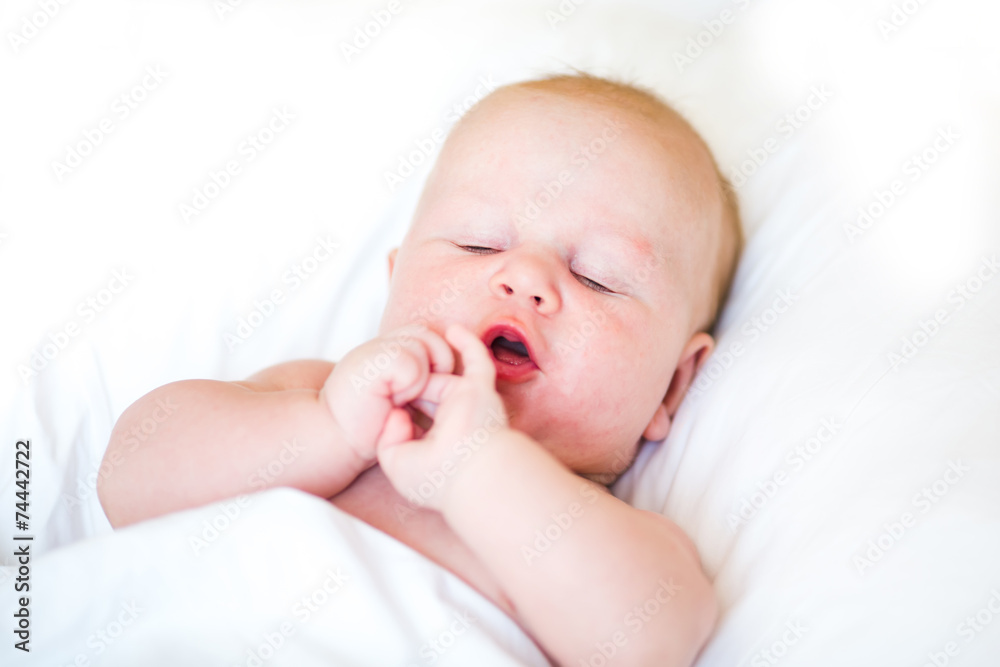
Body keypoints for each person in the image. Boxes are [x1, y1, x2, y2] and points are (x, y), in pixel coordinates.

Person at [98, 72, 742, 666]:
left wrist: (478, 469)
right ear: (394, 284)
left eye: (598, 277)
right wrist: (326, 431)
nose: (524, 277)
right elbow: (127, 479)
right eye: (478, 243)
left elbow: (647, 641)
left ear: (674, 383)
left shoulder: (608, 540)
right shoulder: (312, 398)